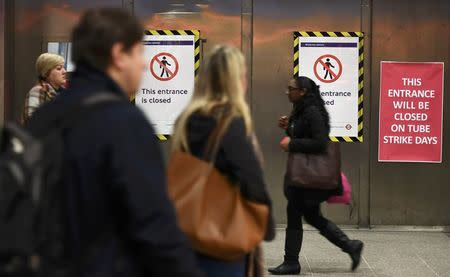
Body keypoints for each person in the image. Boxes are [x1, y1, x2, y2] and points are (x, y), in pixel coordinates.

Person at [26, 8, 201, 277]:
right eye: (139, 54)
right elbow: (154, 224)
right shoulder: (124, 122)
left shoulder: (45, 118)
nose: (144, 64)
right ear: (119, 55)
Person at [171, 45, 275, 277]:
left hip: (187, 233)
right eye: (243, 75)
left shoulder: (185, 120)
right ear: (235, 80)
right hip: (221, 240)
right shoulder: (230, 124)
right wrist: (266, 226)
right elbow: (252, 179)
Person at [268, 76, 364, 275]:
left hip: (308, 178)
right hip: (304, 177)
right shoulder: (302, 109)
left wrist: (292, 143)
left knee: (295, 213)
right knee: (311, 216)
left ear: (303, 91)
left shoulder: (312, 112)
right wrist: (288, 127)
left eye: (291, 88)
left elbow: (320, 143)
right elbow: (305, 135)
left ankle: (292, 262)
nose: (288, 92)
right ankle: (350, 246)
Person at [22, 53, 66, 123]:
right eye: (59, 68)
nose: (64, 71)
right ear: (46, 73)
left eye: (64, 68)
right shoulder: (38, 90)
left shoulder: (64, 92)